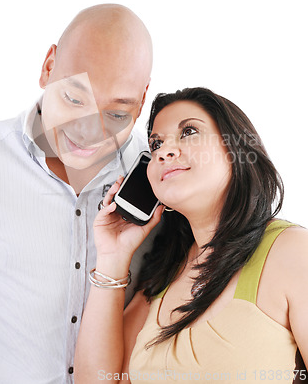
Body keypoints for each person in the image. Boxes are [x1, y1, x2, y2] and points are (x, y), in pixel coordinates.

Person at [74, 87, 308, 383]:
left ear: (236, 151)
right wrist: (112, 257)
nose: (164, 152)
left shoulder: (292, 251)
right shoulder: (161, 277)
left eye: (188, 132)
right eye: (156, 144)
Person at [0, 4, 157, 383]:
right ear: (48, 66)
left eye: (117, 114)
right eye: (75, 99)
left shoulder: (159, 176)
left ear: (142, 101)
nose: (90, 132)